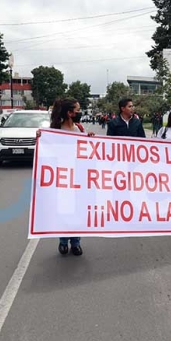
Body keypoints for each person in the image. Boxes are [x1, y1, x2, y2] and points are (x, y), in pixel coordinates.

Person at [50, 98, 96, 256]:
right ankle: (63, 241)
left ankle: (76, 242)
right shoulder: (55, 130)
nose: (79, 112)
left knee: (77, 210)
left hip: (79, 177)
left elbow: (86, 152)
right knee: (65, 210)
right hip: (62, 177)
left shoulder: (80, 128)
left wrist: (89, 139)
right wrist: (40, 138)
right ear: (70, 113)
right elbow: (48, 152)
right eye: (77, 110)